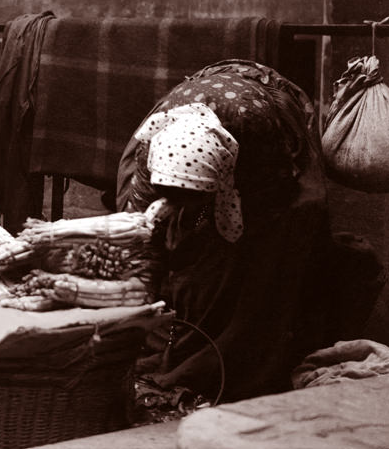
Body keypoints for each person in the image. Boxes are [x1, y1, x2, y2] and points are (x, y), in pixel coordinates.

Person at [116, 59, 337, 404]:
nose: (182, 208)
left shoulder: (261, 137)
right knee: (153, 239)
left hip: (262, 108)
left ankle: (236, 354)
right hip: (195, 110)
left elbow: (263, 218)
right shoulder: (152, 153)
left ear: (221, 180)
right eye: (173, 197)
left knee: (268, 258)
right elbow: (141, 240)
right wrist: (145, 291)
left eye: (192, 199)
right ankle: (173, 342)